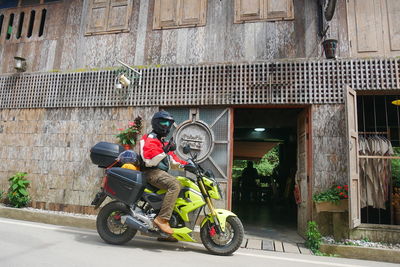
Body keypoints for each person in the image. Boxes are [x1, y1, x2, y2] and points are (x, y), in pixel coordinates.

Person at [139, 110, 187, 235]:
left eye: (169, 123)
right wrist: (164, 150)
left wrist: (188, 165)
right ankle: (162, 219)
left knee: (182, 186)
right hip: (151, 172)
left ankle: (168, 231)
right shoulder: (150, 138)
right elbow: (149, 160)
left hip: (160, 172)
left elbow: (173, 161)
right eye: (164, 122)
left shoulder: (162, 141)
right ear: (157, 123)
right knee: (175, 185)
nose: (167, 125)